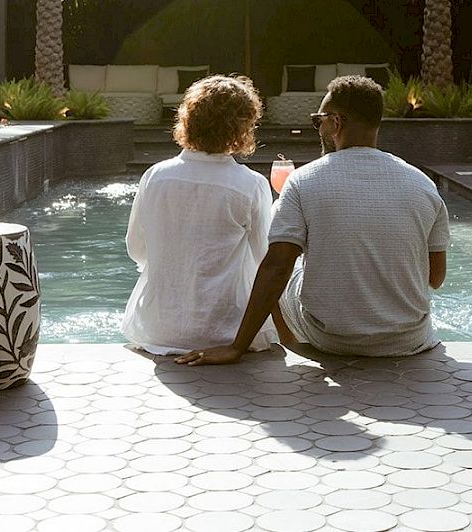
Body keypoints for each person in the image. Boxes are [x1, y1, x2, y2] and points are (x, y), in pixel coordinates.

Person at [176, 75, 449, 366]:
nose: (318, 128)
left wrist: (236, 348)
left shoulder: (303, 182)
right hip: (409, 339)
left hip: (332, 340)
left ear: (336, 123)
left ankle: (291, 347)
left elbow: (276, 269)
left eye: (318, 121)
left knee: (274, 264)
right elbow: (435, 278)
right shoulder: (422, 185)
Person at [122, 74, 278, 355]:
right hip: (225, 332)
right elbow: (264, 261)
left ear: (188, 120)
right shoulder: (250, 185)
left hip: (157, 329)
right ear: (243, 128)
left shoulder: (155, 176)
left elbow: (136, 250)